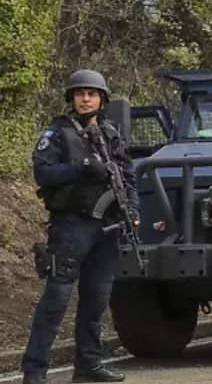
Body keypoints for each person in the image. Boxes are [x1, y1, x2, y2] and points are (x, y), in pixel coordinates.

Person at [22, 70, 139, 384]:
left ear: (102, 99)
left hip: (107, 227)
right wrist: (84, 167)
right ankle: (35, 371)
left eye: (92, 94)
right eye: (80, 93)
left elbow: (128, 177)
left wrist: (133, 211)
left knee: (96, 300)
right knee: (56, 301)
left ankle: (88, 365)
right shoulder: (58, 133)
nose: (86, 99)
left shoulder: (111, 133)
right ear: (72, 99)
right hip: (72, 226)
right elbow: (43, 174)